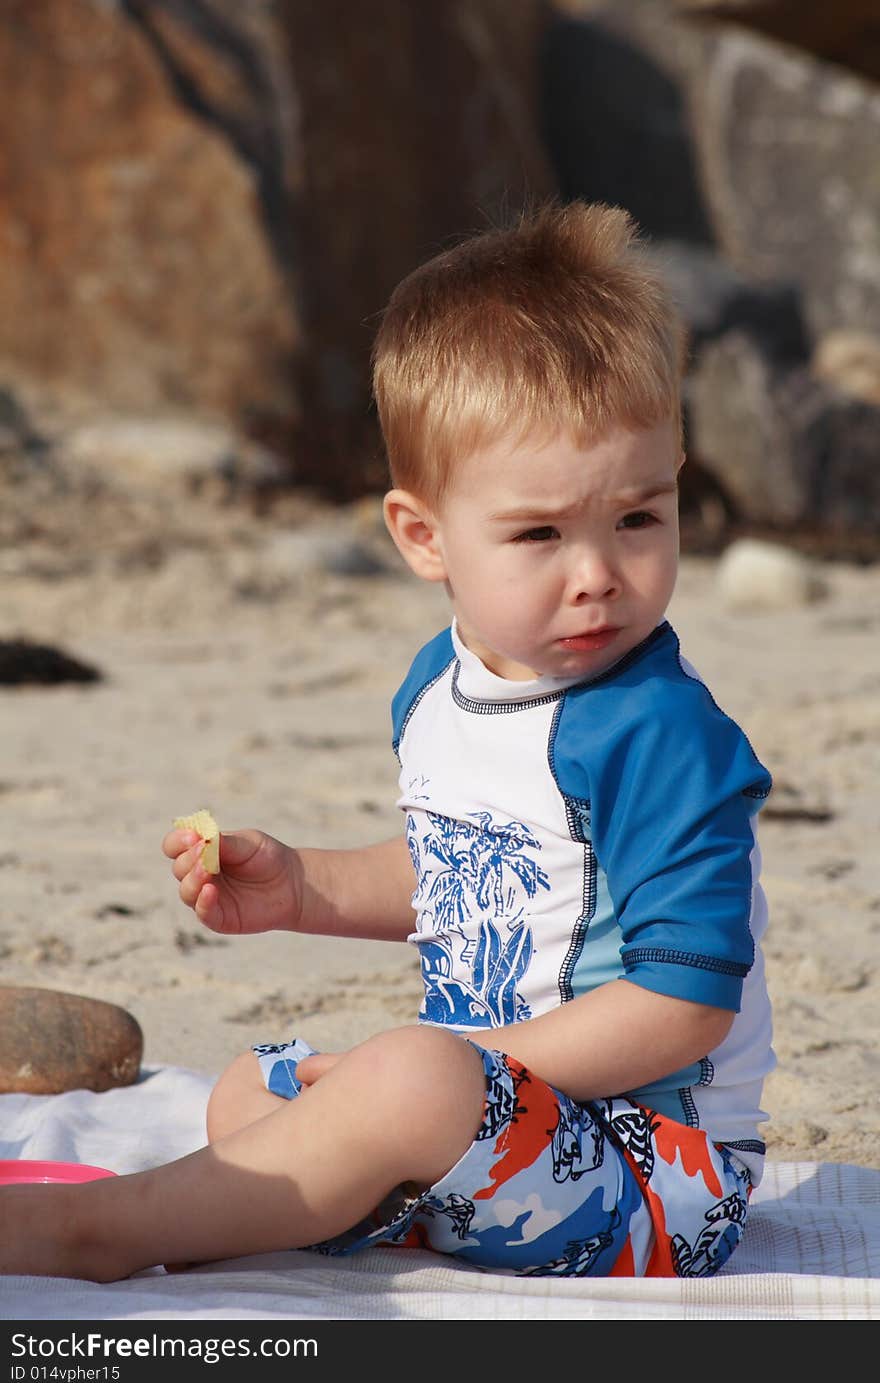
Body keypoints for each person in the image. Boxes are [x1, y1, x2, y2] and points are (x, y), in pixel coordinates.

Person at [0, 201, 774, 1282]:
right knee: (248, 1092)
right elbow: (472, 876)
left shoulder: (661, 732)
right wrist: (305, 890)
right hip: (490, 1123)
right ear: (424, 536)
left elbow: (683, 1005)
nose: (596, 569)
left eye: (638, 517)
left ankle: (102, 1234)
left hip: (653, 1171)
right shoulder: (437, 688)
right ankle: (370, 1173)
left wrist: (454, 1064)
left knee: (401, 1077)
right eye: (540, 533)